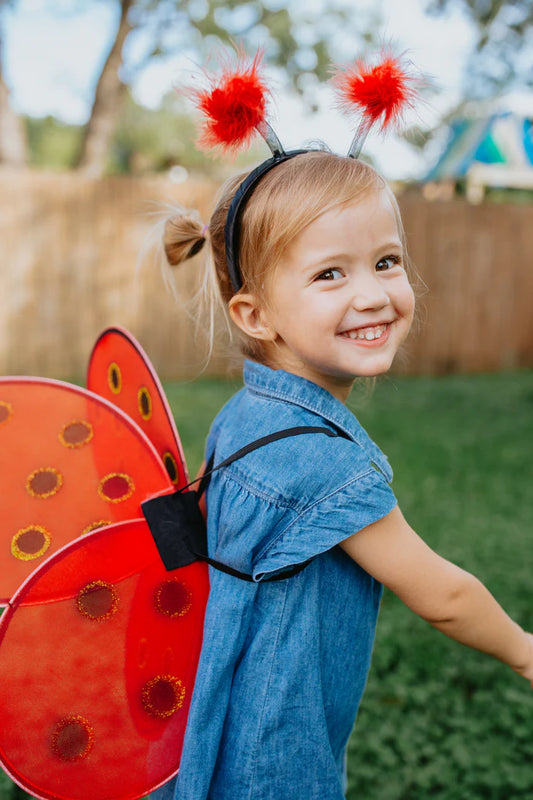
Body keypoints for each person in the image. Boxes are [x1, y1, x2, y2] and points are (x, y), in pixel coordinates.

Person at [151, 149, 533, 800]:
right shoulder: (326, 463)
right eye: (330, 273)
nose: (372, 294)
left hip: (211, 713)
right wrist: (524, 650)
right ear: (254, 315)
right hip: (276, 748)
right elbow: (441, 595)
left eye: (385, 262)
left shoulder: (244, 413)